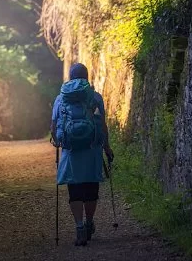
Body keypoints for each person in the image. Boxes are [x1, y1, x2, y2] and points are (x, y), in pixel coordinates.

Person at [51, 63, 114, 246]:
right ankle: (88, 223)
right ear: (87, 77)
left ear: (70, 78)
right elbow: (102, 125)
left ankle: (79, 228)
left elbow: (54, 127)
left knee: (75, 190)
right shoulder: (95, 97)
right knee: (91, 189)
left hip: (71, 151)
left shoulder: (60, 99)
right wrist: (107, 147)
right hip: (92, 149)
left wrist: (57, 140)